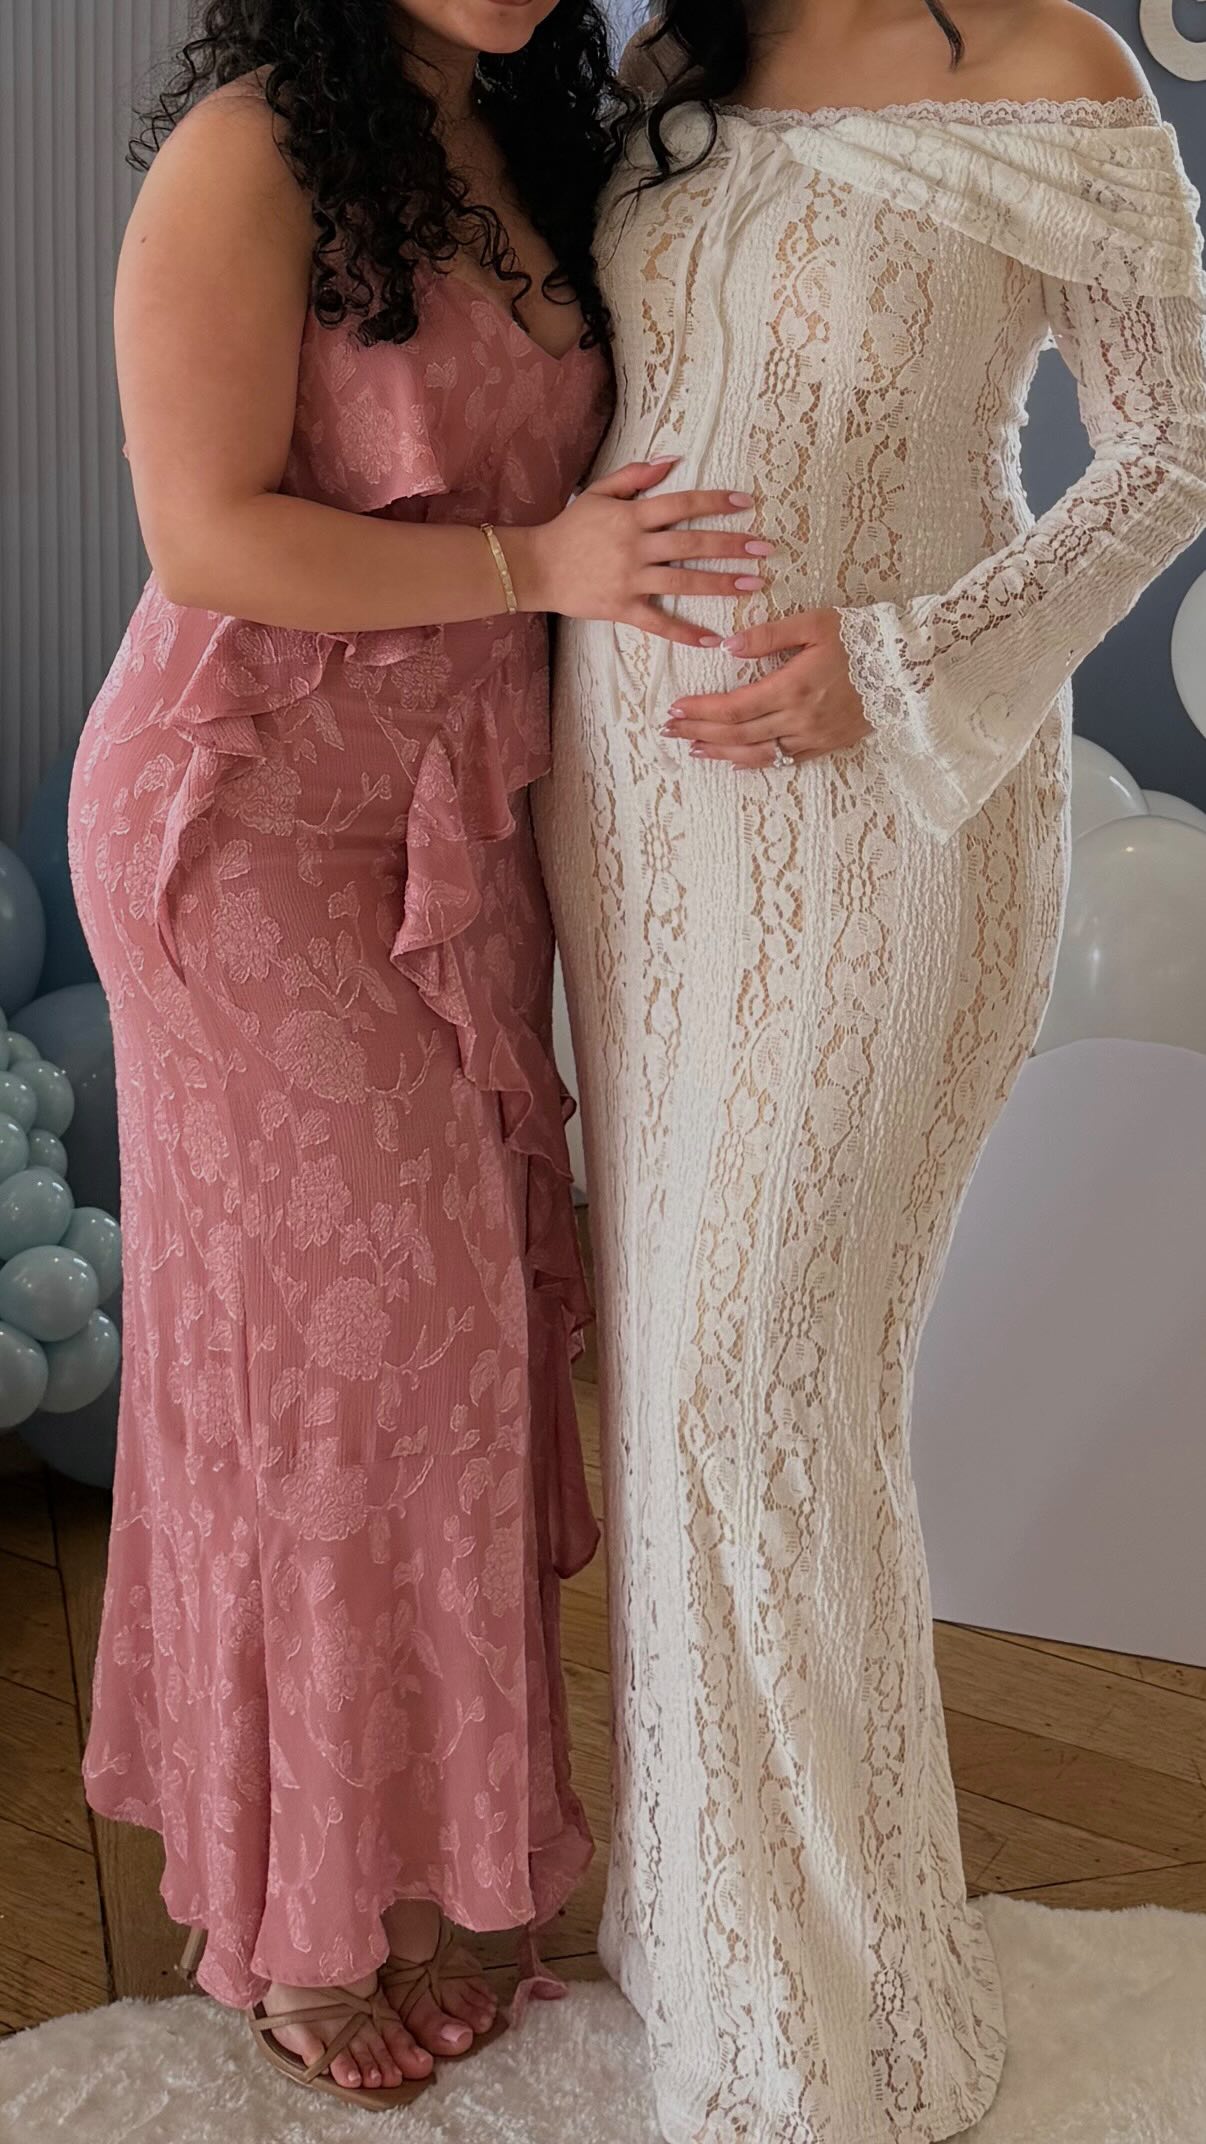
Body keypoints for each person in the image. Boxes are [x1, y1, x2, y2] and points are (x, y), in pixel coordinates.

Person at [67, 0, 762, 2106]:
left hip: (454, 816)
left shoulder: (529, 139)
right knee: (331, 1366)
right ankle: (298, 1913)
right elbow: (207, 533)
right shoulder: (256, 150)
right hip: (250, 821)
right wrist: (539, 564)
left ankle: (420, 1858)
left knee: (453, 1349)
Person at [538, 1, 1206, 2136]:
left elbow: (1176, 441)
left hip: (891, 784)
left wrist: (911, 662)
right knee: (673, 1380)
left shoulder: (1049, 62)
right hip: (631, 797)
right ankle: (707, 1939)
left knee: (756, 1380)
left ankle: (857, 2022)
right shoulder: (676, 62)